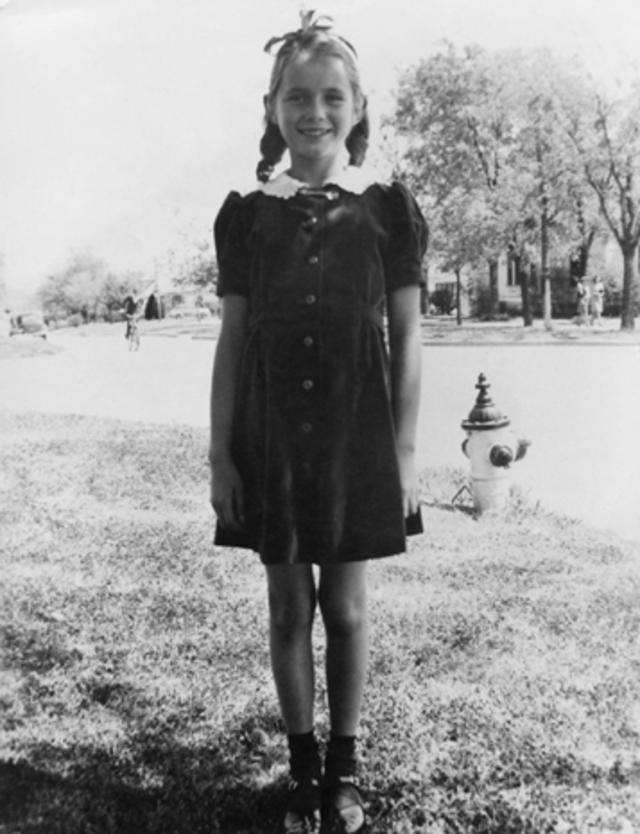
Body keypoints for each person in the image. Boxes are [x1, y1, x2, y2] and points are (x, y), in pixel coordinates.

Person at [209, 12, 427, 833]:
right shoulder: (248, 215)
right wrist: (220, 455)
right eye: (296, 97)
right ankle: (301, 768)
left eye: (332, 97)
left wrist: (404, 452)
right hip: (270, 436)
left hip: (354, 436)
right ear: (272, 107)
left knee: (346, 605)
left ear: (358, 106)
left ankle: (345, 766)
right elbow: (232, 343)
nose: (314, 112)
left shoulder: (385, 211)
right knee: (285, 605)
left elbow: (406, 336)